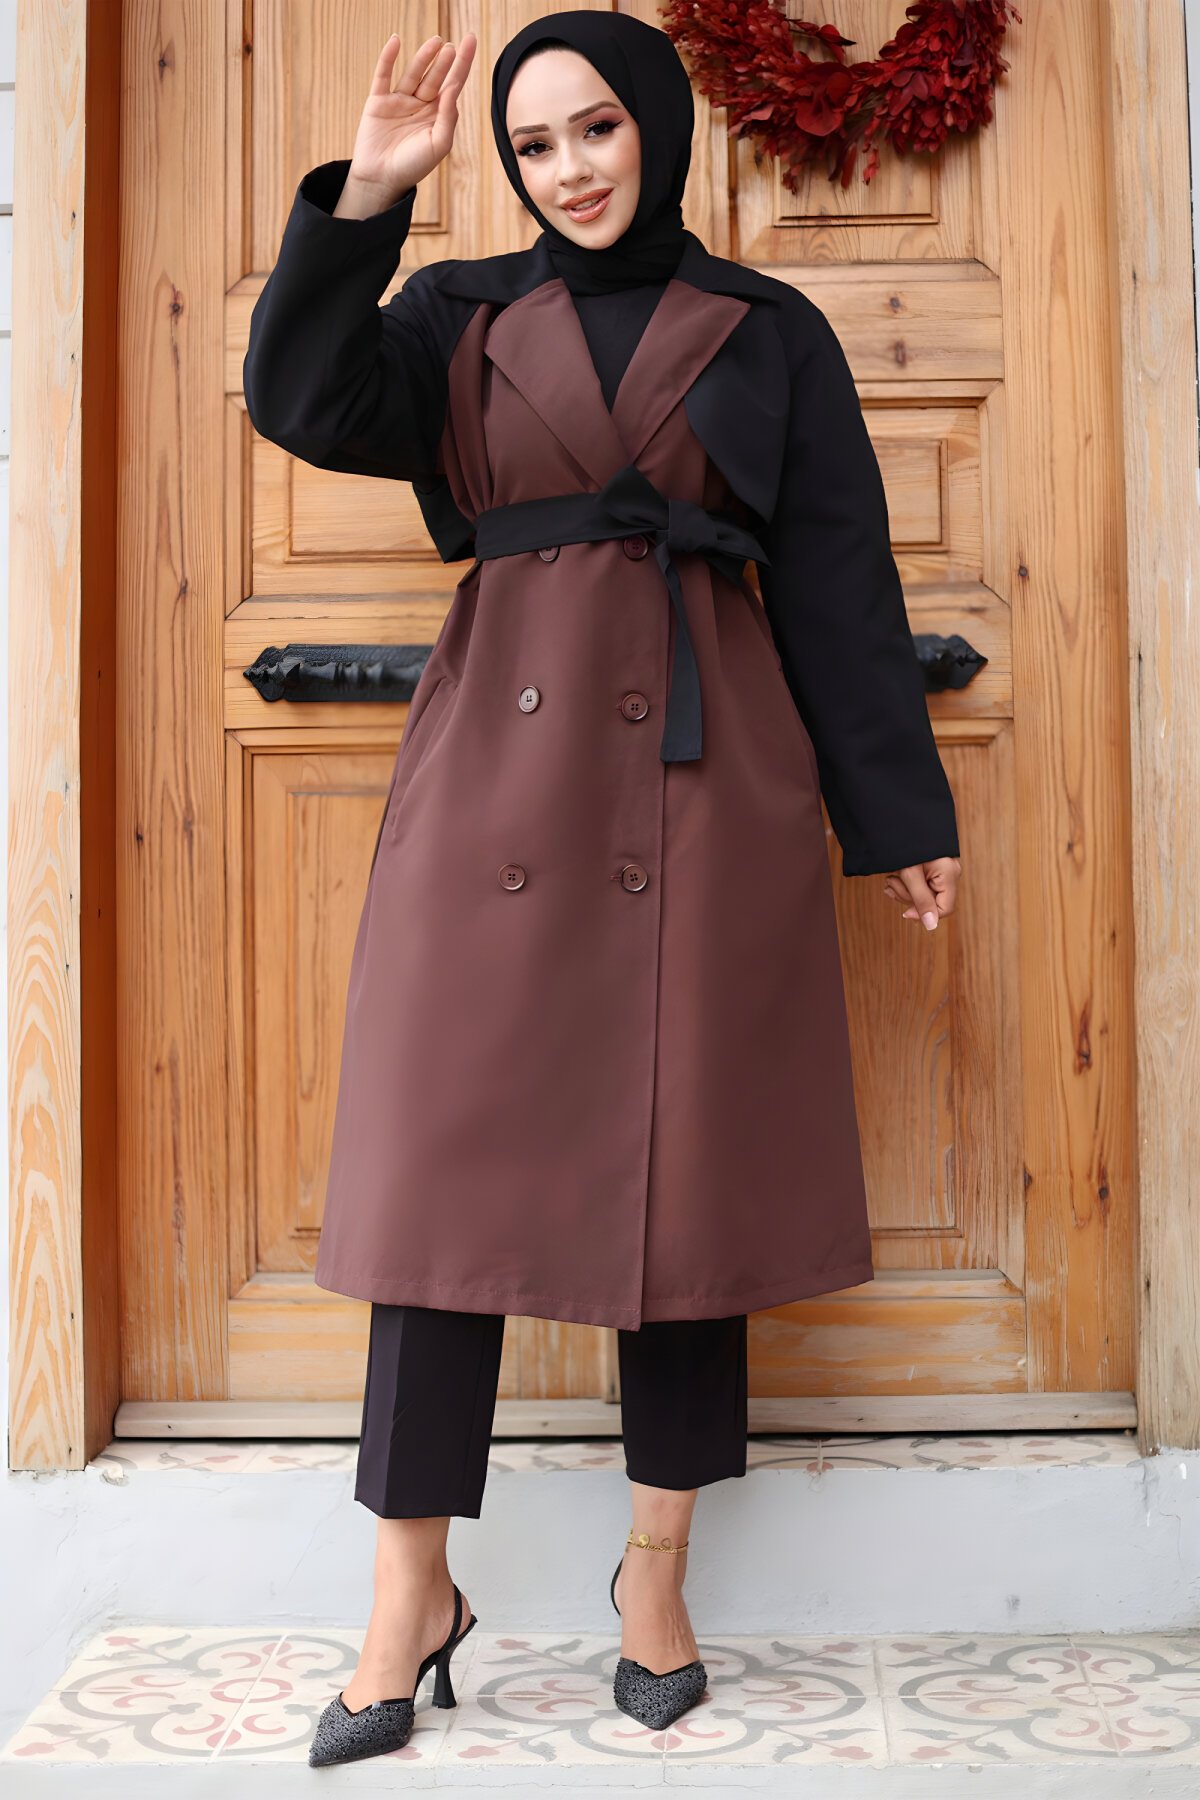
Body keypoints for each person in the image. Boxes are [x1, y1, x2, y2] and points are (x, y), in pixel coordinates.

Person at [243, 13, 961, 1769]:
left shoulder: (770, 330)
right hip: (494, 775)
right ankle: (409, 1592)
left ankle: (656, 1578)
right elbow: (302, 399)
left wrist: (896, 813)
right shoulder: (456, 315)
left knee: (686, 1190)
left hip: (707, 787)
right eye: (535, 142)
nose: (568, 168)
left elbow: (840, 579)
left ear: (655, 127)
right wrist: (370, 199)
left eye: (596, 130)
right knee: (433, 1197)